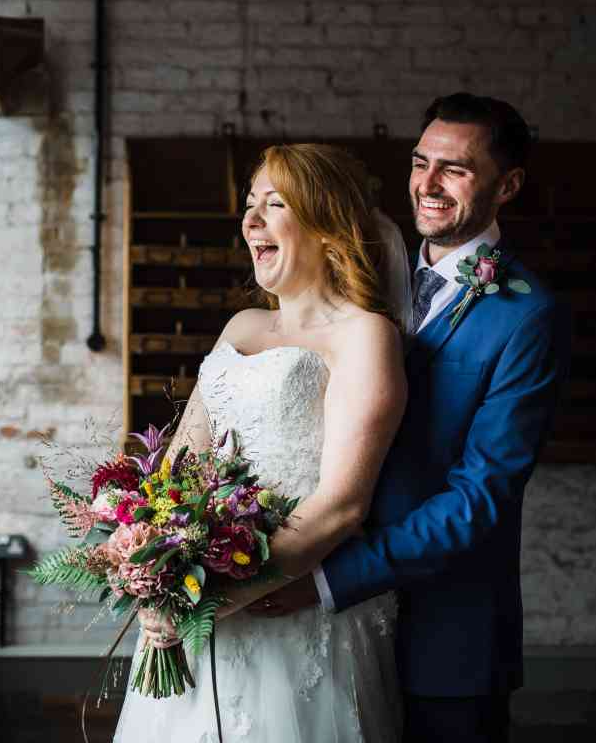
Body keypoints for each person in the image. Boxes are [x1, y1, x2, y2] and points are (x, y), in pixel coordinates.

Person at [254, 93, 571, 743]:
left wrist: (325, 581)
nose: (427, 184)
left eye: (454, 169)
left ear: (506, 185)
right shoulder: (363, 277)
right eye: (419, 162)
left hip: (444, 633)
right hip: (323, 629)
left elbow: (482, 496)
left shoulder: (528, 315)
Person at [113, 142, 413, 742]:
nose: (250, 221)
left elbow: (344, 504)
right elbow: (179, 467)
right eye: (250, 205)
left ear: (329, 229)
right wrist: (148, 563)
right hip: (197, 603)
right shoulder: (241, 326)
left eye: (275, 205)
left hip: (287, 607)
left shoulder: (365, 337)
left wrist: (221, 598)